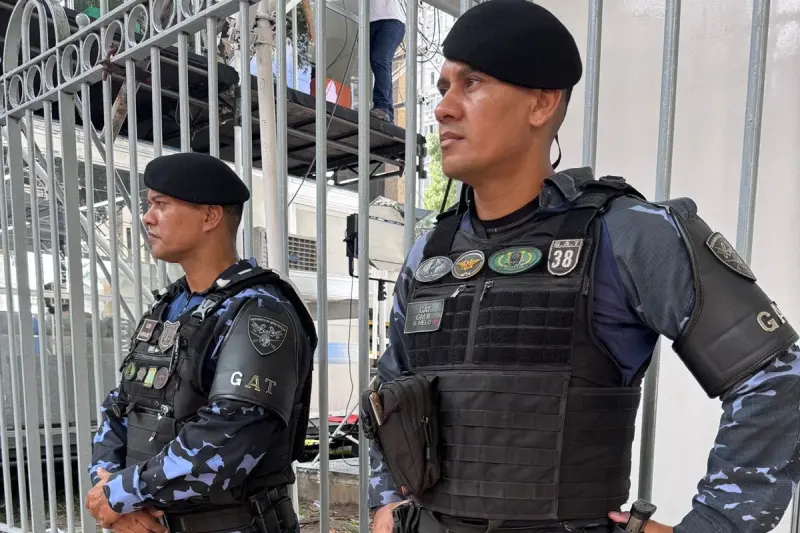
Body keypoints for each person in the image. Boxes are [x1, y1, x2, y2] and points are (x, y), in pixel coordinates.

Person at [363, 1, 800, 532]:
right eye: (442, 88)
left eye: (471, 83)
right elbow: (389, 391)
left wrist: (716, 524)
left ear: (541, 103)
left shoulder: (627, 233)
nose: (443, 109)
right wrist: (384, 502)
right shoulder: (429, 254)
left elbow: (777, 376)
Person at [85, 152, 317, 533]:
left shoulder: (262, 312)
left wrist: (121, 494)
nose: (147, 217)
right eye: (149, 205)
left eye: (161, 204)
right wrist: (108, 487)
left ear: (210, 216)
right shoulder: (169, 307)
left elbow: (225, 442)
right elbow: (120, 405)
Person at [369, 0, 405, 122]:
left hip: (392, 19)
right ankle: (387, 111)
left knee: (380, 59)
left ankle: (382, 106)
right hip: (370, 20)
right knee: (380, 63)